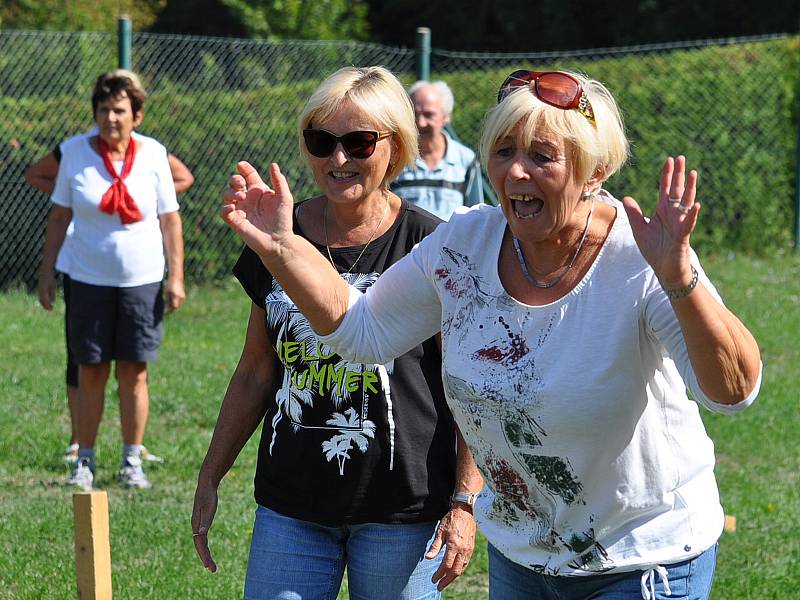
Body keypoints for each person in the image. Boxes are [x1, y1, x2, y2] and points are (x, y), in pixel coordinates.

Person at [218, 68, 762, 600]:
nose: (516, 173)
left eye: (542, 157)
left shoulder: (640, 258)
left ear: (595, 171)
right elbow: (363, 331)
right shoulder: (465, 245)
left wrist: (680, 279)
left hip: (640, 557)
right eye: (504, 152)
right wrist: (285, 249)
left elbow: (732, 391)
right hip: (523, 555)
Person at [192, 66, 482, 600]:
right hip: (292, 505)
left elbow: (463, 384)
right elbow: (257, 369)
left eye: (358, 142)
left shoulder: (431, 245)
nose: (338, 159)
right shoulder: (278, 232)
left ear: (395, 147)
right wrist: (211, 473)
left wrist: (464, 502)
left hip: (402, 509)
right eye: (322, 141)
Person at [26, 70, 193, 465]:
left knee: (134, 372)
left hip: (142, 279)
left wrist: (177, 276)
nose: (110, 118)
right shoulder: (75, 151)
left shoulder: (153, 153)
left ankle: (131, 459)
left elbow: (170, 220)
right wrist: (47, 271)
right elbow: (58, 216)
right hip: (87, 279)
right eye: (103, 110)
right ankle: (84, 458)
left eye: (119, 110)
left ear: (136, 116)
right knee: (91, 369)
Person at [390, 80, 483, 220]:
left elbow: (477, 214)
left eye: (428, 115)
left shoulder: (465, 159)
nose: (420, 123)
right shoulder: (395, 157)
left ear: (446, 116)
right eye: (415, 114)